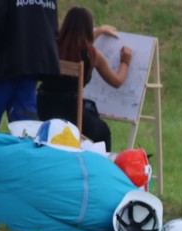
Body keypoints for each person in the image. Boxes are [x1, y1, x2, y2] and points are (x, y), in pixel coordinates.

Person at [36, 7, 131, 152]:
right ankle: (99, 168)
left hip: (44, 107)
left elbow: (75, 45)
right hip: (71, 113)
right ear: (88, 28)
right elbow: (117, 81)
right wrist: (125, 61)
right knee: (103, 132)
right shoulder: (91, 55)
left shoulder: (52, 47)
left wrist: (98, 32)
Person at [0, 0, 60, 134]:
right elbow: (52, 26)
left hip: (2, 64)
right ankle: (25, 154)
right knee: (26, 128)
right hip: (30, 65)